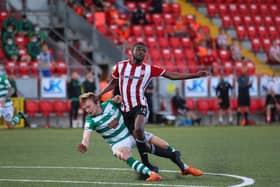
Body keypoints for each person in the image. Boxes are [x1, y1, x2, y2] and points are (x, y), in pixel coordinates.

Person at [98, 42, 209, 172]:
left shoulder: (149, 69)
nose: (141, 52)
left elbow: (172, 75)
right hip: (125, 110)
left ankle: (146, 164)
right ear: (131, 52)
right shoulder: (120, 66)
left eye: (143, 51)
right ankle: (173, 155)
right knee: (144, 144)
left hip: (140, 105)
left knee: (139, 130)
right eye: (138, 49)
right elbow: (113, 83)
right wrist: (99, 95)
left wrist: (195, 75)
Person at [78, 92, 202, 181]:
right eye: (85, 108)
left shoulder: (110, 104)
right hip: (118, 143)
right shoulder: (90, 120)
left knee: (163, 145)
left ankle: (185, 168)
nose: (87, 110)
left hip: (131, 133)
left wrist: (119, 100)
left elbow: (124, 106)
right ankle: (152, 174)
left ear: (97, 102)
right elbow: (86, 136)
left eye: (89, 106)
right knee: (125, 155)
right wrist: (84, 144)